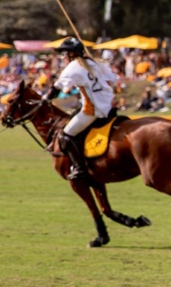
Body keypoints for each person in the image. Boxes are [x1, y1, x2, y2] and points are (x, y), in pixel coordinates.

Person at [46, 38, 119, 182]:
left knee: (66, 134)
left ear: (72, 53)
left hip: (94, 110)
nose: (63, 57)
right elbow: (112, 80)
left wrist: (45, 99)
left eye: (64, 53)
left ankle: (80, 168)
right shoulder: (96, 63)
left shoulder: (73, 67)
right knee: (73, 115)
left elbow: (57, 88)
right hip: (110, 105)